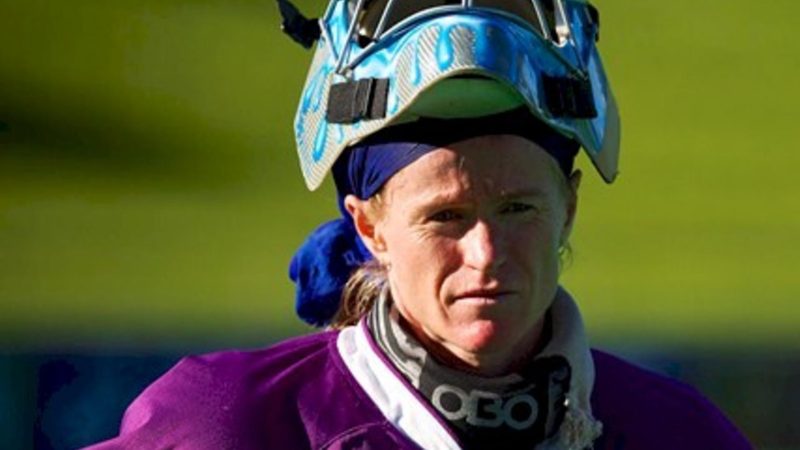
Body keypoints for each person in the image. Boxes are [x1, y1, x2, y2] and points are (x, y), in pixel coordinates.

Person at [87, 0, 752, 449]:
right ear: (370, 229)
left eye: (517, 208)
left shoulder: (683, 433)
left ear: (568, 209)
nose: (485, 253)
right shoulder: (226, 425)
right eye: (445, 217)